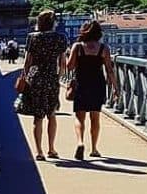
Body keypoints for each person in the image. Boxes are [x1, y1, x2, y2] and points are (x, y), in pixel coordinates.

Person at [17, 11, 67, 160]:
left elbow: (27, 61)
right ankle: (51, 148)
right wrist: (58, 76)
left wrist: (24, 76)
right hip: (51, 78)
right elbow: (62, 63)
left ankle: (39, 152)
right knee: (51, 114)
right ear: (53, 23)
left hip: (35, 78)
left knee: (38, 117)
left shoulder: (33, 38)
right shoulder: (60, 38)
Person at [66, 21, 119, 160]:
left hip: (81, 83)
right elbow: (110, 70)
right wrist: (115, 88)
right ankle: (94, 149)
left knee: (79, 117)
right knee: (95, 118)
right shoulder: (103, 48)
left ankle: (80, 142)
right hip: (97, 84)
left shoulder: (77, 47)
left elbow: (69, 67)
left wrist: (71, 57)